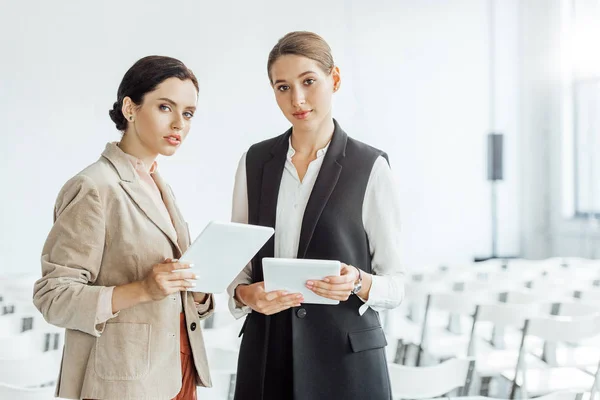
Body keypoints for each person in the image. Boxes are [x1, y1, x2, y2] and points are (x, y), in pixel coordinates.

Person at [226, 31, 405, 400]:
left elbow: (396, 284)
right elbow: (238, 269)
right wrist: (246, 295)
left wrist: (357, 280)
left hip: (346, 364)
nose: (298, 99)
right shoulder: (255, 162)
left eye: (309, 81)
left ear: (334, 79)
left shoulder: (370, 166)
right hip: (267, 357)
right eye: (283, 87)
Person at [33, 55, 213, 400]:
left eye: (188, 113)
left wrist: (198, 288)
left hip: (178, 370)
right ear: (130, 108)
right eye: (165, 107)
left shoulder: (160, 186)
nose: (179, 124)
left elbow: (168, 291)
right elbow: (53, 297)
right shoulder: (93, 186)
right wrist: (144, 289)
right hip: (123, 382)